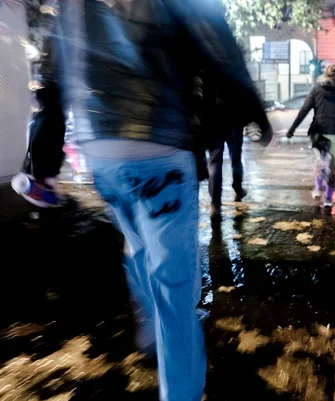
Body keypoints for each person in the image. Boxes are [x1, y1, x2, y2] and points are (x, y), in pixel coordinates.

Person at [17, 1, 271, 400]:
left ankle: (151, 328)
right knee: (175, 283)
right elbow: (218, 44)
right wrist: (254, 110)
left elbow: (55, 80)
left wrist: (44, 161)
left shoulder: (73, 5)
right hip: (160, 148)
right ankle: (180, 387)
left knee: (135, 234)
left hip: (100, 149)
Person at [286, 65, 335, 207]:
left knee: (321, 161)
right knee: (334, 166)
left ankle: (317, 189)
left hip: (319, 130)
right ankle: (328, 198)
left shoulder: (317, 89)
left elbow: (304, 109)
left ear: (325, 75)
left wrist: (292, 129)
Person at [202, 73, 247, 219]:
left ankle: (215, 205)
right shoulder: (233, 65)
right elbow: (245, 93)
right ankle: (238, 188)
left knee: (214, 163)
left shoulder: (208, 66)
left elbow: (202, 95)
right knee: (236, 159)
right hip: (234, 121)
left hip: (214, 121)